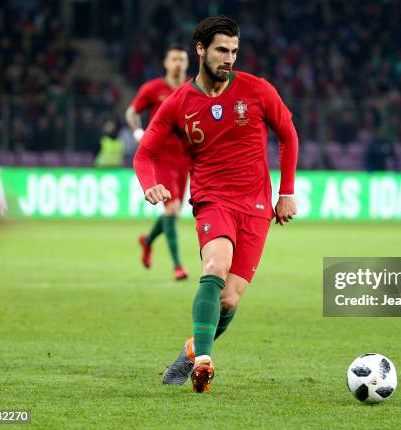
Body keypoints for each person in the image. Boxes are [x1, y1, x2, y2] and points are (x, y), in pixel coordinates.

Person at [133, 16, 298, 393]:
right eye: (222, 50)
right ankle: (204, 363)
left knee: (229, 299)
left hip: (256, 207)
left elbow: (288, 134)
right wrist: (150, 185)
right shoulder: (178, 103)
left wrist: (285, 192)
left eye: (235, 51)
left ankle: (193, 349)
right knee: (215, 266)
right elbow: (144, 156)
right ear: (201, 50)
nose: (229, 58)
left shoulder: (257, 90)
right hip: (212, 200)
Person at [125, 44, 190, 281]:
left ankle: (148, 240)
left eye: (182, 60)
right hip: (161, 156)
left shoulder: (193, 87)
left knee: (174, 213)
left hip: (184, 159)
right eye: (173, 59)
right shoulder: (153, 88)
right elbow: (131, 112)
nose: (178, 64)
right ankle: (177, 266)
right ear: (165, 63)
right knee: (171, 209)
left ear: (187, 63)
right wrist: (137, 132)